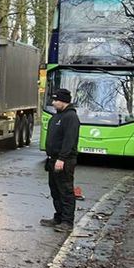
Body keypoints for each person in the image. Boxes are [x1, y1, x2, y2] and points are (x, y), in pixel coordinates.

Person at [40, 88, 80, 231]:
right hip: (53, 159)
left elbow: (69, 140)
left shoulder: (71, 117)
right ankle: (59, 217)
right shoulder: (56, 117)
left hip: (64, 160)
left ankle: (67, 222)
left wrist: (62, 158)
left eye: (56, 100)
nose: (53, 102)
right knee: (55, 191)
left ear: (63, 101)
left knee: (65, 191)